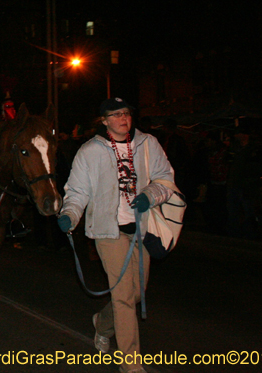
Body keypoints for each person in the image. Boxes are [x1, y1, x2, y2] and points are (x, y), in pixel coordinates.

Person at [58, 98, 176, 373]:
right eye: (116, 114)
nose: (124, 118)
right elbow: (77, 191)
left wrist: (151, 195)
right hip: (108, 232)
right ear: (104, 120)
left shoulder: (148, 144)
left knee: (136, 294)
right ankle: (131, 363)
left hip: (143, 229)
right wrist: (70, 215)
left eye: (126, 113)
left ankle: (103, 322)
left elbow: (165, 178)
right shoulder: (90, 151)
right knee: (123, 296)